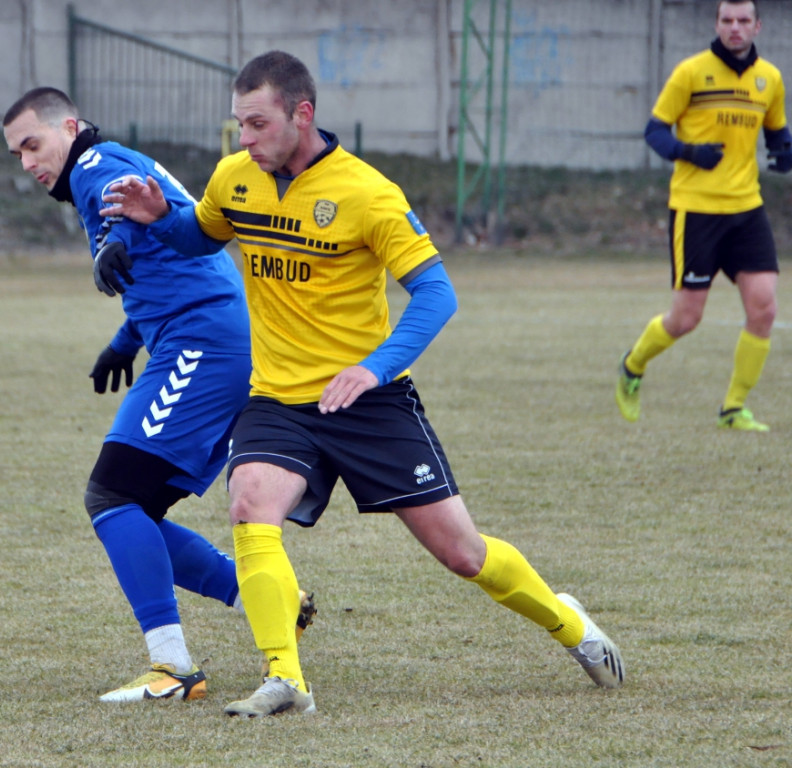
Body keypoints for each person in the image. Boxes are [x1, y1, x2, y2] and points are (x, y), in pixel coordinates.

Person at [103, 50, 625, 717]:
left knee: (463, 554)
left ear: (303, 113)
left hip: (370, 402)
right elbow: (202, 235)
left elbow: (435, 293)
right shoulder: (237, 177)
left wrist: (371, 367)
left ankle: (569, 623)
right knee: (249, 501)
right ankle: (285, 679)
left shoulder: (367, 192)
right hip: (279, 398)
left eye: (259, 124)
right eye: (238, 125)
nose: (247, 139)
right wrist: (159, 217)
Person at [1, 87, 313, 704]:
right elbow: (162, 253)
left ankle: (172, 669)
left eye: (33, 144)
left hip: (203, 341)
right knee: (131, 505)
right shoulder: (107, 159)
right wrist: (126, 337)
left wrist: (110, 238)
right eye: (16, 153)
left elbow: (119, 205)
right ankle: (263, 596)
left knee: (115, 495)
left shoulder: (95, 166)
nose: (28, 162)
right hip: (200, 333)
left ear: (69, 126)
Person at [616, 0, 789, 431]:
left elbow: (776, 127)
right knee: (686, 318)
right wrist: (688, 151)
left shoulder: (770, 78)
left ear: (757, 26)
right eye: (727, 20)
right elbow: (654, 131)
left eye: (743, 20)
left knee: (764, 308)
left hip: (747, 208)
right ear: (717, 23)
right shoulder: (691, 73)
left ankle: (733, 408)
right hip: (696, 210)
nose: (735, 28)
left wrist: (784, 151)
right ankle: (633, 366)